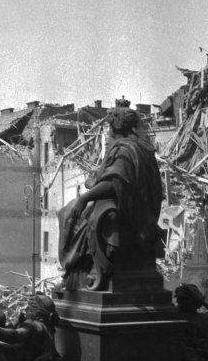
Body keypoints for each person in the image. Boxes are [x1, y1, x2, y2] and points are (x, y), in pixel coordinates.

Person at [58, 104, 163, 291]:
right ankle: (77, 272)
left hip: (130, 214)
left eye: (108, 128)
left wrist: (84, 198)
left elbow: (115, 183)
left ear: (115, 127)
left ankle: (77, 271)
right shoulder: (142, 148)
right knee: (76, 210)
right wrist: (95, 182)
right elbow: (116, 179)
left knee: (70, 213)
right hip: (140, 210)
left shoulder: (125, 149)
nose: (107, 132)